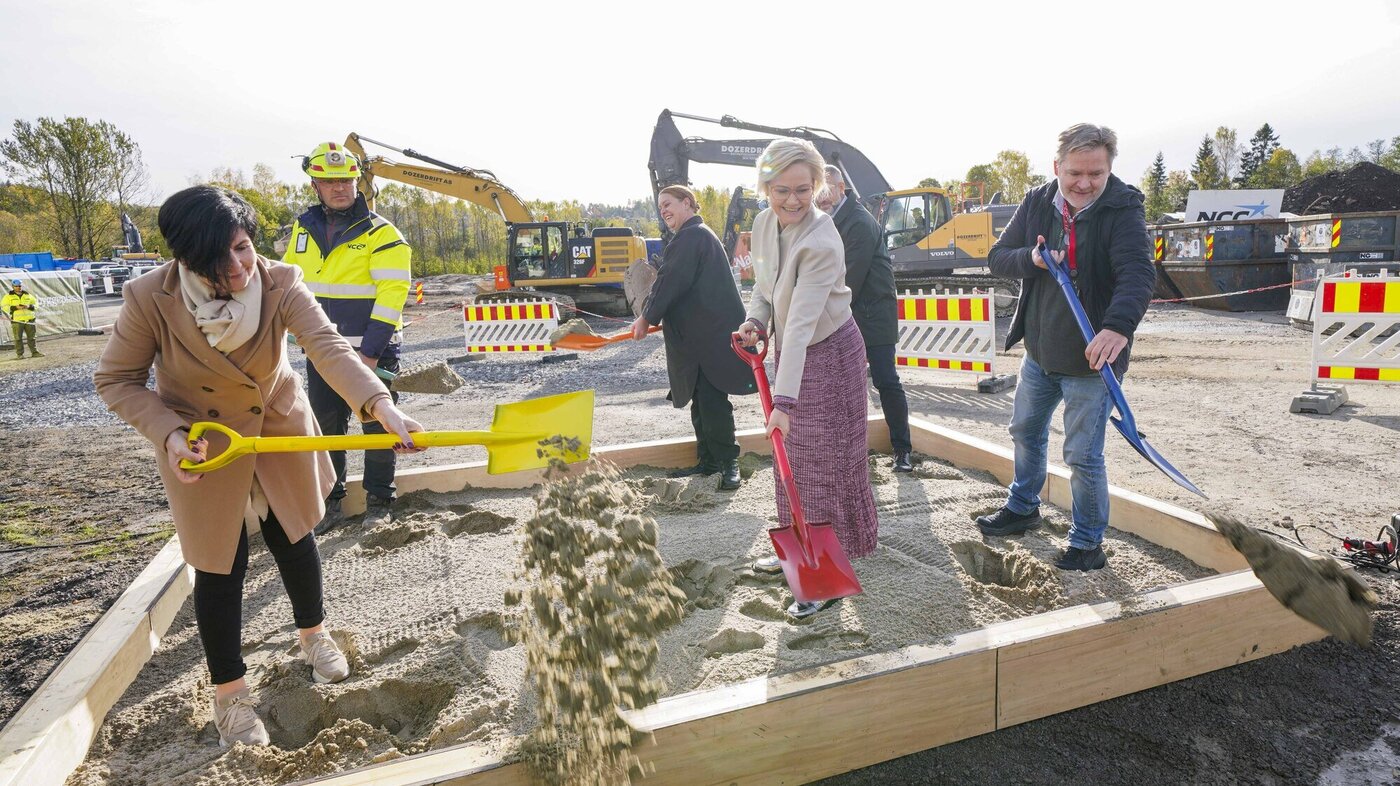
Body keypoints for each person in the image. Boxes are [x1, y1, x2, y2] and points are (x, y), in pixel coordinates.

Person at [94, 185, 425, 746]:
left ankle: (314, 636)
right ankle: (229, 695)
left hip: (276, 426)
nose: (239, 268)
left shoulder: (280, 280)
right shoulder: (149, 296)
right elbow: (116, 381)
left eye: (244, 248)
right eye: (219, 262)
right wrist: (171, 434)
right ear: (185, 261)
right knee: (220, 564)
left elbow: (327, 347)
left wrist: (379, 405)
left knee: (295, 536)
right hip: (205, 440)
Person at [976, 124, 1155, 571]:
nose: (1084, 183)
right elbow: (999, 257)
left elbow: (1137, 273)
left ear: (1109, 168)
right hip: (1041, 351)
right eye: (1075, 172)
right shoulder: (1038, 201)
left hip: (1093, 361)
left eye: (1096, 173)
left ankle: (1088, 541)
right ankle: (1023, 507)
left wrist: (1117, 328)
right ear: (1057, 167)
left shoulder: (1122, 207)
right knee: (1025, 431)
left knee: (1081, 455)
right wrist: (1033, 260)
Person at [736, 138, 879, 618]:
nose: (792, 200)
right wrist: (755, 323)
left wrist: (786, 402)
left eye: (802, 189)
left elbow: (798, 325)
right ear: (766, 187)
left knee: (821, 463)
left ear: (817, 186)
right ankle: (794, 556)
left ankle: (827, 579)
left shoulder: (822, 239)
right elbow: (764, 289)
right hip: (794, 357)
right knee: (790, 461)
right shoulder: (761, 224)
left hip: (831, 354)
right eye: (781, 190)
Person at [282, 142, 413, 533]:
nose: (340, 187)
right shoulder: (302, 230)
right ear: (315, 185)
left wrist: (370, 353)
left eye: (347, 180)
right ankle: (332, 501)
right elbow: (289, 284)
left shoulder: (382, 233)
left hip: (371, 350)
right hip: (322, 351)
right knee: (325, 426)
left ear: (358, 182)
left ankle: (379, 501)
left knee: (378, 425)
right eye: (330, 181)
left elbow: (392, 297)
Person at [631, 185, 754, 491]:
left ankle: (729, 464)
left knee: (712, 403)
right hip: (702, 339)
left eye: (669, 204)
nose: (664, 211)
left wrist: (646, 317)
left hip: (710, 338)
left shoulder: (693, 236)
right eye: (660, 208)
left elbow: (670, 282)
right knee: (700, 401)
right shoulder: (693, 237)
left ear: (688, 203)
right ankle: (709, 461)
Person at [821, 166, 912, 472]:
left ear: (840, 186)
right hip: (851, 316)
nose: (820, 196)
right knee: (846, 386)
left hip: (873, 318)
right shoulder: (832, 221)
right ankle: (851, 451)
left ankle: (903, 450)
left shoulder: (858, 222)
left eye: (825, 188)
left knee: (886, 381)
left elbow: (848, 278)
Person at [2, 278, 41, 359]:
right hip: (17, 320)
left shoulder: (28, 295)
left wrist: (29, 306)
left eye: (19, 286)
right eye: (16, 286)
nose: (18, 287)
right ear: (13, 286)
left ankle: (35, 353)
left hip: (30, 320)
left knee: (32, 338)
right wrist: (15, 307)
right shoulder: (8, 296)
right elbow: (3, 306)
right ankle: (20, 355)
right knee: (18, 338)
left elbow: (36, 304)